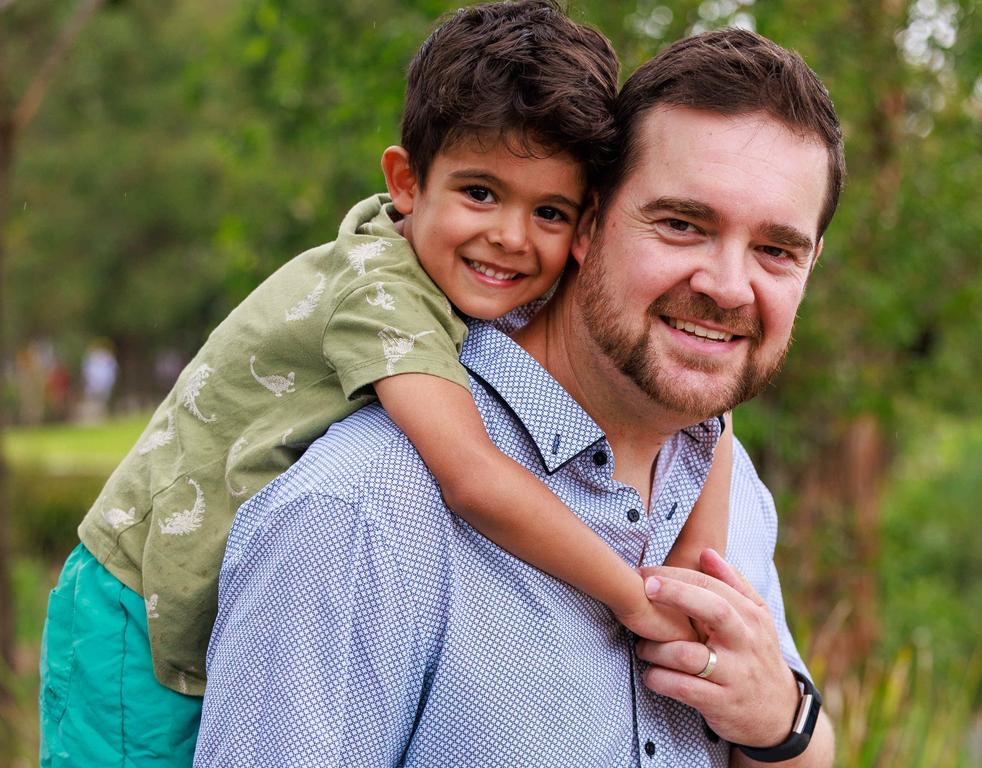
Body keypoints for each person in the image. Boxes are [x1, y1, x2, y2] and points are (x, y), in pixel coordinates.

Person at [38, 3, 732, 766]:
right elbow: (470, 476)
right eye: (479, 193)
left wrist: (695, 581)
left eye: (550, 211)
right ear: (406, 183)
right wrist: (634, 596)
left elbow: (706, 419)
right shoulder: (379, 291)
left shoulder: (490, 282)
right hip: (135, 599)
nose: (510, 234)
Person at [194, 25, 845, 768]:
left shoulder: (733, 491)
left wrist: (782, 720)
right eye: (681, 225)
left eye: (775, 250)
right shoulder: (362, 511)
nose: (728, 285)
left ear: (811, 262)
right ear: (587, 224)